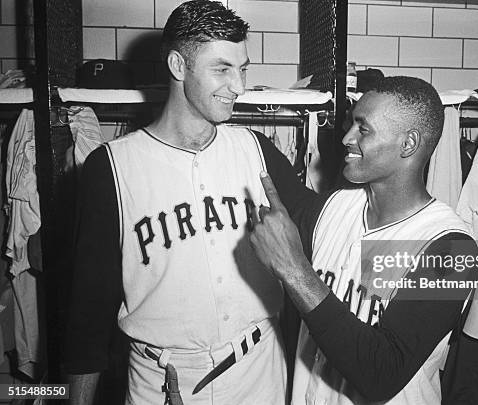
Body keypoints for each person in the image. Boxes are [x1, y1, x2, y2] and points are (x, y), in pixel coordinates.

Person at [64, 1, 311, 404]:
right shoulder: (111, 167)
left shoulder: (256, 149)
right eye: (222, 69)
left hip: (259, 372)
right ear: (178, 67)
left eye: (242, 68)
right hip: (160, 380)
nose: (239, 86)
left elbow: (327, 226)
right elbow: (87, 314)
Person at [249, 76, 478, 404]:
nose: (346, 137)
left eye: (363, 129)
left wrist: (294, 270)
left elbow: (382, 371)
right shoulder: (335, 206)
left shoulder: (450, 248)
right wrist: (236, 134)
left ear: (408, 144)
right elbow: (286, 187)